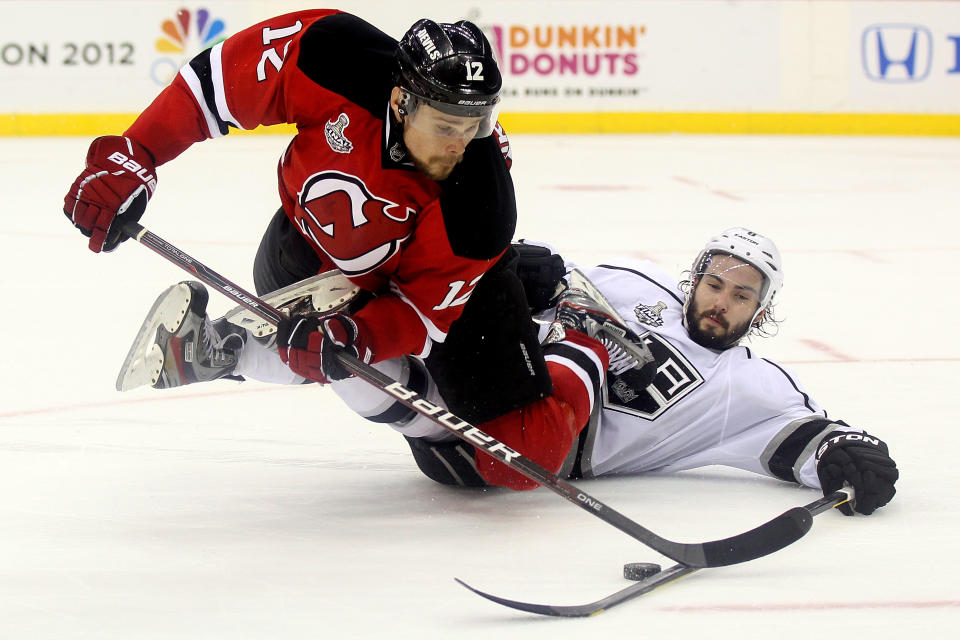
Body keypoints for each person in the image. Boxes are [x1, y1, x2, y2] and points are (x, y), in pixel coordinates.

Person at [64, 10, 657, 490]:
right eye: (445, 122)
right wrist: (135, 154)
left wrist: (363, 339)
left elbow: (422, 316)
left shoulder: (479, 204)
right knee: (319, 358)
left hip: (445, 283)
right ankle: (229, 350)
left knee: (525, 457)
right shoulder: (331, 53)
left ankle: (574, 330)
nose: (460, 142)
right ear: (401, 101)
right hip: (310, 256)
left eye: (475, 123)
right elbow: (209, 91)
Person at [336, 228, 899, 516]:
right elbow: (554, 277)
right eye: (715, 284)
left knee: (420, 404)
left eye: (742, 296)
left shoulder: (751, 388)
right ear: (695, 279)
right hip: (494, 382)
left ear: (761, 310)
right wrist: (524, 268)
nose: (721, 302)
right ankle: (313, 340)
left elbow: (811, 439)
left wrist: (848, 453)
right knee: (400, 350)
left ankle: (350, 362)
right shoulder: (635, 283)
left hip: (526, 456)